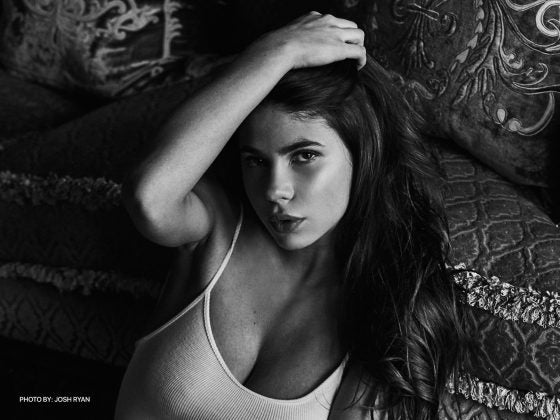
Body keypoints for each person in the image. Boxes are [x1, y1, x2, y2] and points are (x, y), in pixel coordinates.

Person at [115, 11, 466, 420]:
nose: (274, 190)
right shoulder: (216, 229)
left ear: (364, 155)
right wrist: (277, 51)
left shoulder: (382, 314)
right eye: (256, 161)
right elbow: (148, 198)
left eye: (304, 156)